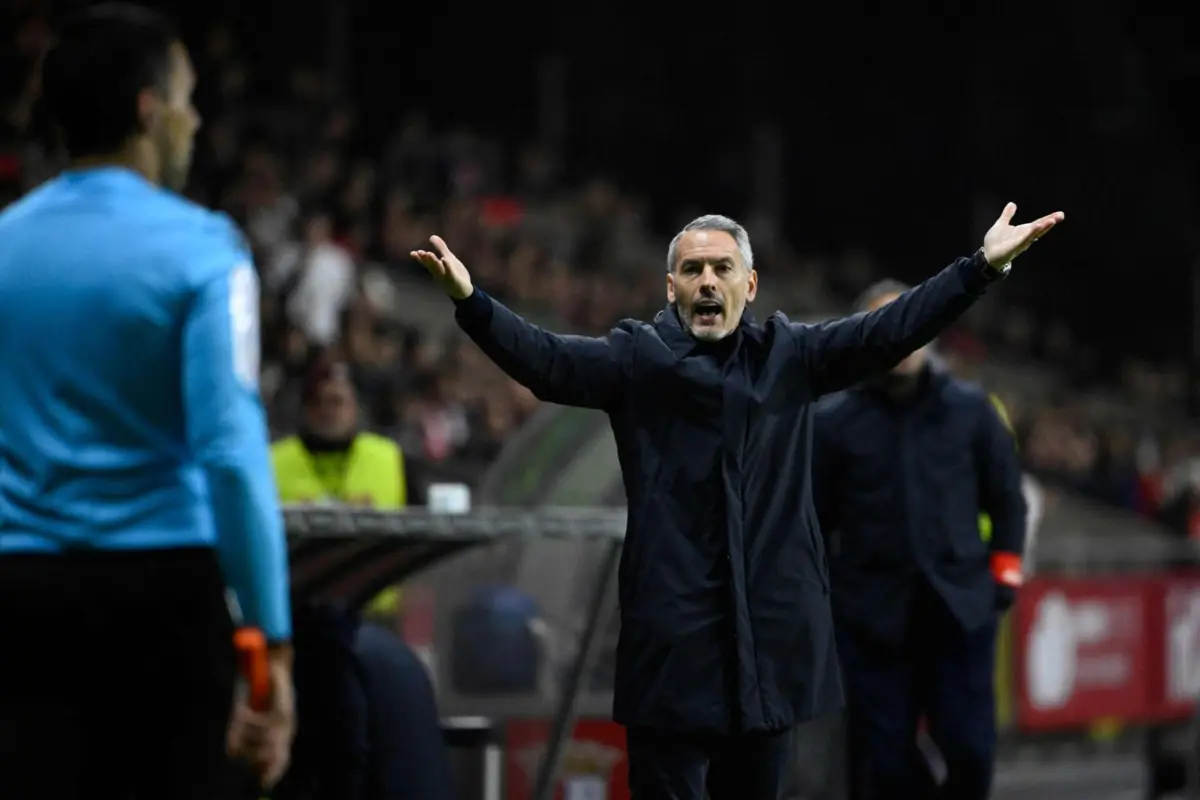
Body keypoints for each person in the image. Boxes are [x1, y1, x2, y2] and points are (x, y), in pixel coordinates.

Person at [411, 201, 1063, 800]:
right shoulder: (636, 362)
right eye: (691, 269)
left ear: (748, 285)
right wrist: (472, 302)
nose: (707, 281)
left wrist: (978, 269)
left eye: (723, 267)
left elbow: (889, 331)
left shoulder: (792, 356)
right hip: (673, 647)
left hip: (770, 646)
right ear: (671, 287)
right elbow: (546, 362)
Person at [0, 5, 293, 797]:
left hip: (19, 600)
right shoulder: (205, 250)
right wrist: (271, 645)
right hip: (157, 602)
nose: (195, 123)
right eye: (187, 99)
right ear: (147, 108)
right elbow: (231, 458)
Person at [813, 279, 1029, 799]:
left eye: (914, 324)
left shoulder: (972, 410)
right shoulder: (834, 423)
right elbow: (815, 522)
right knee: (884, 766)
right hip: (872, 623)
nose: (903, 340)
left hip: (960, 614)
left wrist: (1002, 579)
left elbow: (1007, 500)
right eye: (887, 327)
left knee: (972, 754)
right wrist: (828, 602)